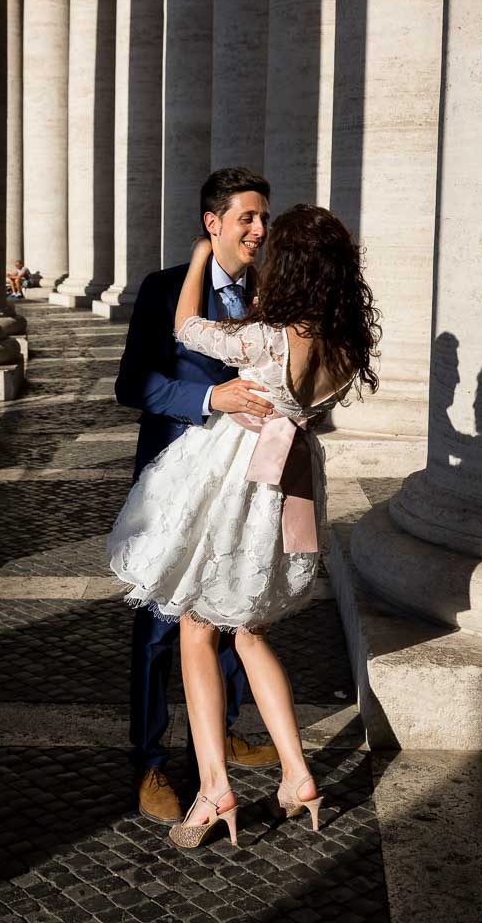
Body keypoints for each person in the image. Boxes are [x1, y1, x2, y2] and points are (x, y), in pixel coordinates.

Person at [108, 202, 381, 848]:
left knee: (196, 630)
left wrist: (204, 252)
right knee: (250, 630)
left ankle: (213, 788)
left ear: (287, 267)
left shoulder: (265, 337)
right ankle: (296, 776)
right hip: (289, 484)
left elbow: (184, 327)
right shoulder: (347, 342)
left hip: (233, 481)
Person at [114, 168, 282, 826]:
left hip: (245, 486)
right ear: (212, 224)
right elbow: (134, 385)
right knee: (161, 626)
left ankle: (225, 731)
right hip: (174, 483)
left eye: (264, 218)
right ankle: (150, 761)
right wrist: (211, 398)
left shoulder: (272, 292)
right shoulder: (162, 292)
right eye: (247, 217)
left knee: (239, 608)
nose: (259, 231)